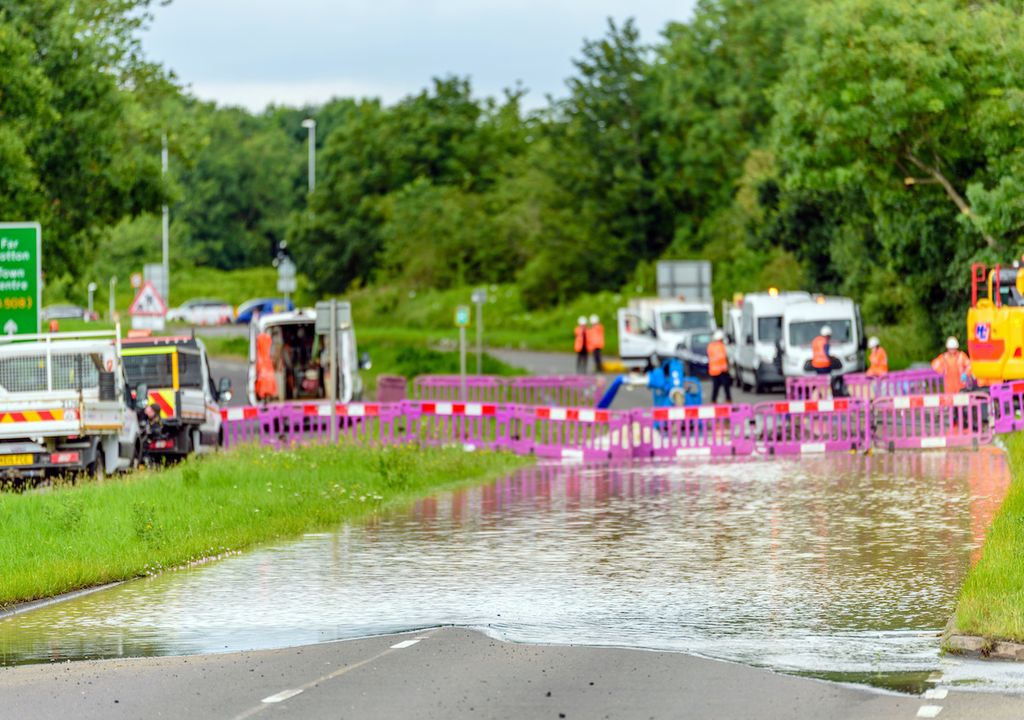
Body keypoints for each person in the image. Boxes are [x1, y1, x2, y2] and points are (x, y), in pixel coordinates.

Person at [707, 329, 732, 403]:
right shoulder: (722, 346)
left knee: (715, 387)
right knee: (726, 386)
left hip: (713, 370)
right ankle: (728, 400)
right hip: (722, 370)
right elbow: (727, 356)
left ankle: (713, 401)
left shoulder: (710, 346)